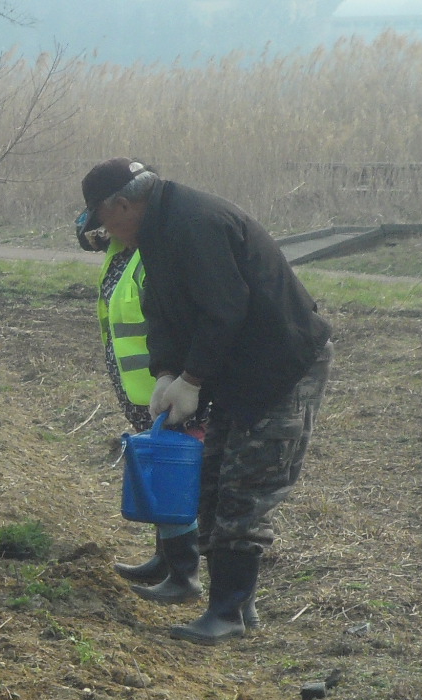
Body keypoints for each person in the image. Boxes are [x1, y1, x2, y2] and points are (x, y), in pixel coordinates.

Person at [80, 158, 333, 643]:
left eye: (105, 220)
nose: (107, 232)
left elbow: (224, 308)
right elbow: (163, 311)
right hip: (236, 371)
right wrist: (166, 373)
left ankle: (229, 614)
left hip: (280, 368)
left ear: (123, 204)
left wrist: (193, 380)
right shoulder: (155, 231)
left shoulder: (195, 224)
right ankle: (235, 605)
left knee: (244, 490)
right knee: (211, 482)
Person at [76, 183, 205, 607]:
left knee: (171, 474)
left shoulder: (156, 252)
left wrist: (183, 379)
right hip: (139, 386)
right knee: (156, 470)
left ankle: (183, 573)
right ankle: (165, 558)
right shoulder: (123, 252)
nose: (104, 232)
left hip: (166, 384)